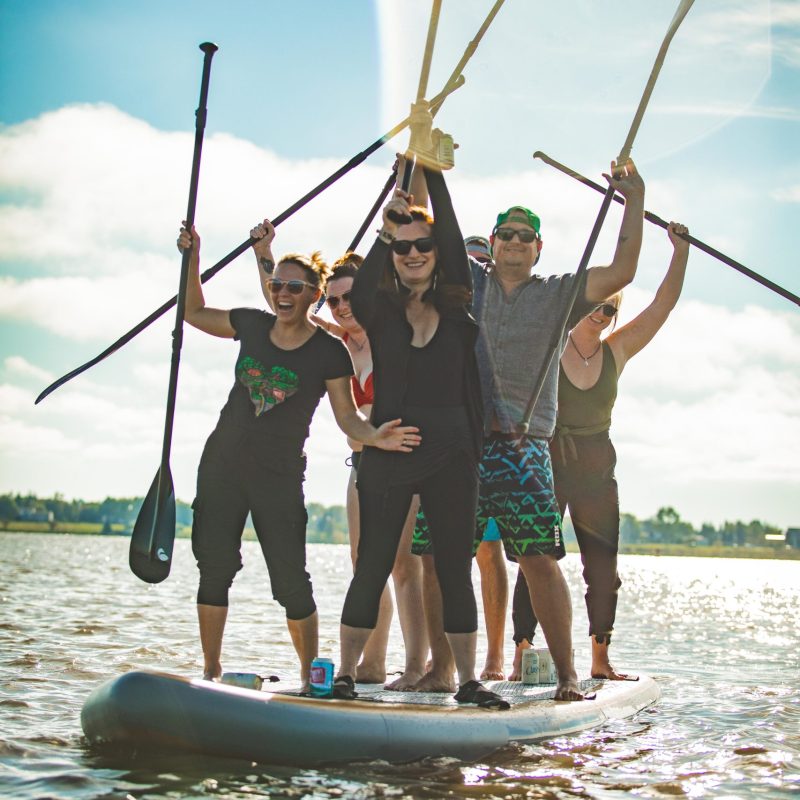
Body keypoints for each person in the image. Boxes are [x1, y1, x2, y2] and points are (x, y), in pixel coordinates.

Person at [177, 219, 420, 690]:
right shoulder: (250, 323)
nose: (282, 293)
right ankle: (211, 670)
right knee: (215, 568)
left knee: (290, 580)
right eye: (276, 286)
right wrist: (192, 258)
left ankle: (311, 678)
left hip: (279, 475)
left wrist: (376, 436)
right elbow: (193, 311)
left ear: (313, 295)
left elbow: (347, 418)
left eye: (294, 287)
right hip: (222, 465)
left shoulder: (330, 352)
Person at [334, 110, 508, 708]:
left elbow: (452, 237)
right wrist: (389, 222)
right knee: (373, 563)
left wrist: (430, 167)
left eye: (422, 246)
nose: (412, 253)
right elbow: (361, 285)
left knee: (453, 566)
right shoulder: (378, 310)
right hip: (391, 450)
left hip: (453, 454)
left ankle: (467, 681)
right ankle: (347, 675)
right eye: (403, 247)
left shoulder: (459, 302)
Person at [469, 159, 646, 701]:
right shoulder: (467, 284)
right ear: (493, 242)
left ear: (538, 248)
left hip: (526, 446)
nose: (515, 241)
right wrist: (416, 172)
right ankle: (441, 671)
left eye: (526, 236)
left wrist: (633, 199)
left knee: (539, 560)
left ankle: (568, 675)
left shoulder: (559, 294)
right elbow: (417, 242)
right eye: (506, 233)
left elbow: (622, 271)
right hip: (467, 443)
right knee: (436, 558)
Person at [510, 222, 691, 681]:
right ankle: (522, 652)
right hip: (547, 463)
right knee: (536, 559)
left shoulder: (618, 350)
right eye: (596, 305)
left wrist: (680, 253)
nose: (602, 313)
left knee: (603, 568)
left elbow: (663, 306)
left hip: (595, 469)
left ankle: (600, 659)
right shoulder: (551, 342)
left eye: (610, 309)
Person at [313, 254, 429, 688]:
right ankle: (373, 662)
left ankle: (416, 665)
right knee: (363, 561)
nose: (342, 307)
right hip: (362, 463)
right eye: (334, 301)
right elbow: (288, 307)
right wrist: (263, 255)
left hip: (406, 460)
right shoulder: (341, 343)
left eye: (349, 296)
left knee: (404, 564)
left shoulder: (395, 331)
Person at [410, 233, 509, 687]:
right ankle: (441, 663)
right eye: (467, 262)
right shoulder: (437, 312)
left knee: (489, 552)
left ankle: (495, 653)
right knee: (434, 556)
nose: (474, 270)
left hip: (494, 443)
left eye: (481, 263)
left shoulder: (498, 314)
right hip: (443, 444)